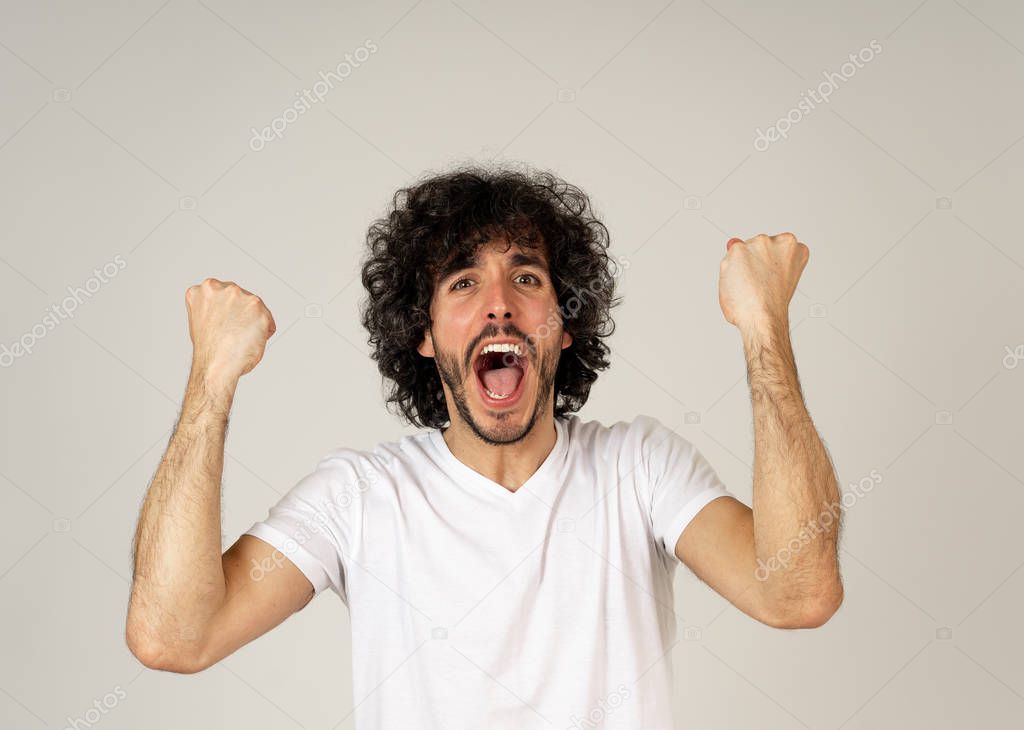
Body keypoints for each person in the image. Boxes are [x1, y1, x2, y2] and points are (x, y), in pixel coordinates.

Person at [126, 165, 843, 728]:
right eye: (464, 281)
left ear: (565, 326)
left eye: (526, 277)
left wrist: (763, 329)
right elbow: (174, 636)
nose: (499, 302)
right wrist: (211, 379)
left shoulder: (639, 469)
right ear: (425, 332)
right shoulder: (361, 498)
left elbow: (798, 590)